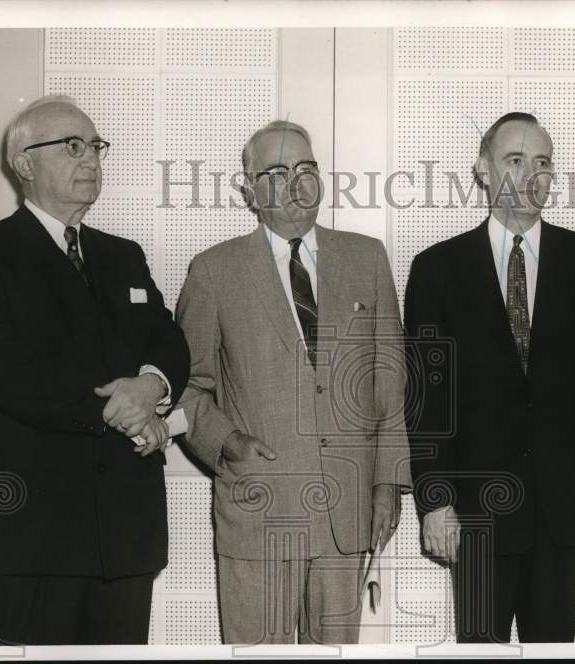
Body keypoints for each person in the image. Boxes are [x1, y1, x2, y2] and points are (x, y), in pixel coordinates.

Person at [0, 95, 190, 645]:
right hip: (32, 533)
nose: (92, 160)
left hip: (124, 534)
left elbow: (168, 340)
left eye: (96, 146)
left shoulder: (124, 255)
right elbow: (6, 370)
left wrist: (151, 386)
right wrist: (128, 413)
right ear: (24, 163)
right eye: (73, 147)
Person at [173, 119, 411, 644]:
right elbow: (185, 384)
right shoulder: (213, 272)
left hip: (345, 516)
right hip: (258, 510)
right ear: (248, 190)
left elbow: (390, 383)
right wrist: (227, 442)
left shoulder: (366, 258)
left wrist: (388, 483)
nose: (298, 184)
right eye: (278, 173)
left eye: (307, 169)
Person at [404, 112, 575, 642]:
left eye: (542, 162)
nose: (530, 176)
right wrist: (435, 500)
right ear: (482, 169)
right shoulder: (437, 269)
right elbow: (426, 400)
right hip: (474, 513)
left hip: (562, 514)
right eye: (514, 160)